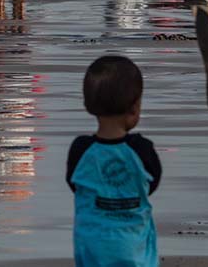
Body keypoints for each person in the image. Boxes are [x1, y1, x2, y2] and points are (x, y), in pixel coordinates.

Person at [67, 56, 161, 267]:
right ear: (135, 108)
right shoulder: (141, 149)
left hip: (92, 243)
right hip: (134, 242)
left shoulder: (81, 150)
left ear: (87, 104)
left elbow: (75, 184)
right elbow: (152, 183)